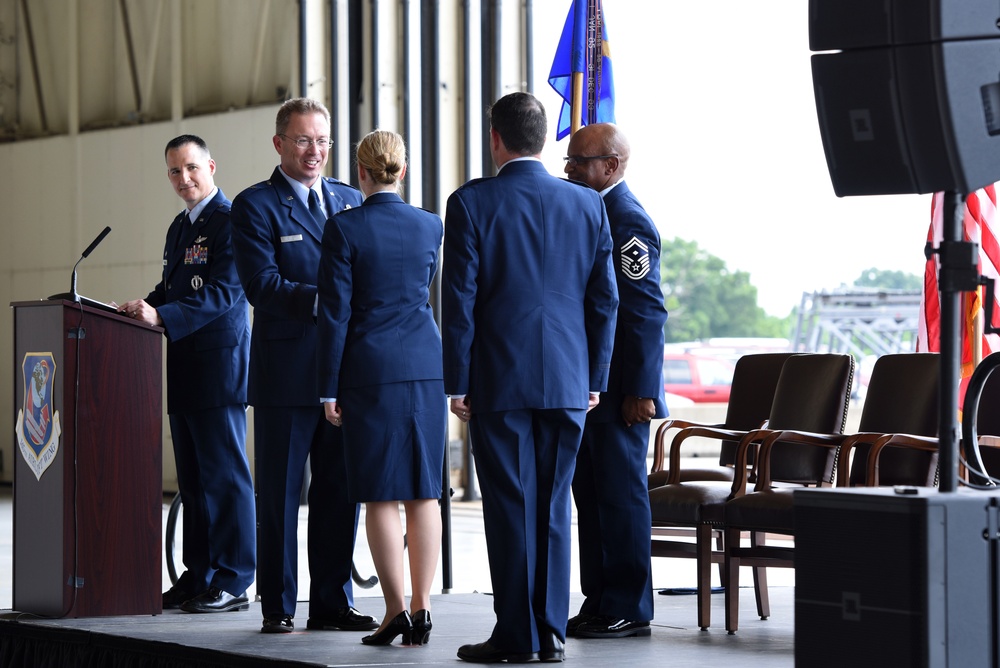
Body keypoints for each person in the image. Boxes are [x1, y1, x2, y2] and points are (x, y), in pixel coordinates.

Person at [441, 92, 619, 663]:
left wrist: (456, 379)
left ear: (496, 138)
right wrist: (594, 376)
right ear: (543, 141)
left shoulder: (471, 202)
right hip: (568, 380)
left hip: (499, 379)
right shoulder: (588, 204)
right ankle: (550, 634)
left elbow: (460, 298)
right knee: (552, 506)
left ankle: (517, 635)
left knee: (509, 505)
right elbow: (605, 300)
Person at [230, 98, 376, 635]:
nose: (314, 151)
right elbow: (261, 286)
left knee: (340, 495)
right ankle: (278, 605)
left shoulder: (348, 199)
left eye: (322, 141)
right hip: (286, 380)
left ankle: (333, 602)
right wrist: (331, 301)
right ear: (279, 144)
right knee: (282, 497)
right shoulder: (254, 206)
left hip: (342, 377)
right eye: (302, 140)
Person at [317, 129, 446, 647]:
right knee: (425, 490)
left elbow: (335, 315)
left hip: (369, 368)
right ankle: (423, 605)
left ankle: (395, 612)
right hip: (425, 363)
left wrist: (329, 387)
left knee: (379, 493)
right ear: (404, 170)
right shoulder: (430, 225)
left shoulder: (343, 228)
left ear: (361, 172)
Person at [118, 134, 256, 614]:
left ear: (212, 166)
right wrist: (142, 307)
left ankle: (234, 580)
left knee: (226, 477)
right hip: (185, 368)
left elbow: (225, 293)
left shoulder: (232, 221)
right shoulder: (180, 227)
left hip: (219, 367)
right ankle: (198, 577)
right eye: (175, 172)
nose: (185, 179)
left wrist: (163, 317)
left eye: (192, 168)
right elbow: (172, 287)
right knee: (194, 482)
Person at [563, 123, 668, 639]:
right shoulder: (590, 212)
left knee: (621, 499)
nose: (569, 169)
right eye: (569, 160)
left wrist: (642, 391)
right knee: (592, 497)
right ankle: (600, 599)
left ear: (612, 166)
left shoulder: (626, 220)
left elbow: (646, 312)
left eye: (580, 162)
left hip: (624, 392)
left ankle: (628, 605)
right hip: (591, 388)